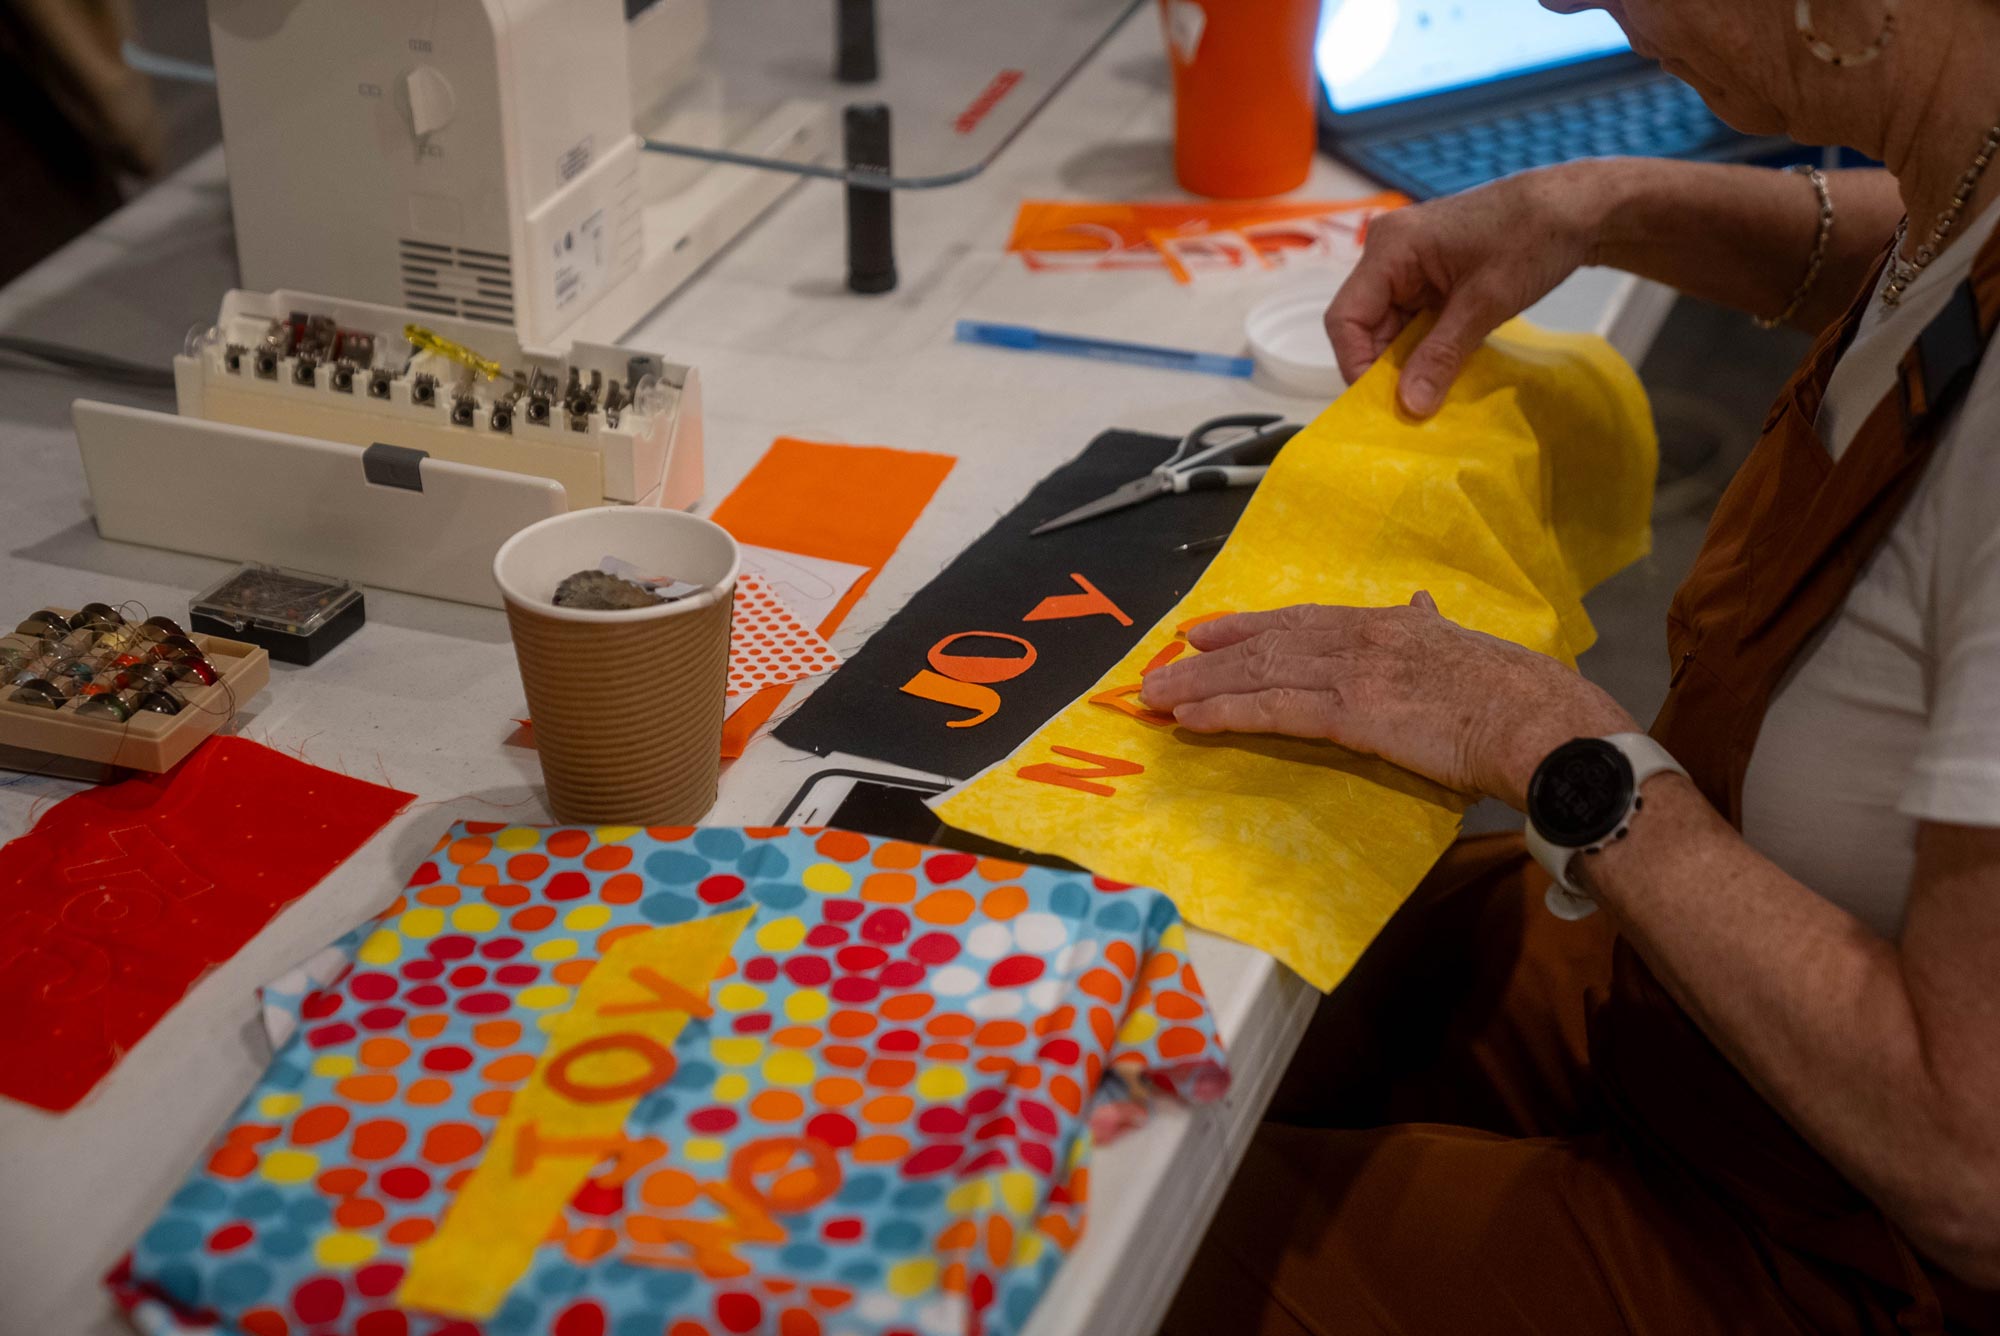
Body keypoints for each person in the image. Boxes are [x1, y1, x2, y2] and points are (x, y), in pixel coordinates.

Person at [1146, 0, 2000, 1331]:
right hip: (1713, 1033)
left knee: (1125, 1256)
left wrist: (1555, 743)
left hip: (1861, 1238)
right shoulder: (1979, 133)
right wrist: (1604, 205)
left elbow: (1974, 1165)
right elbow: (1944, 247)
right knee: (1189, 1004)